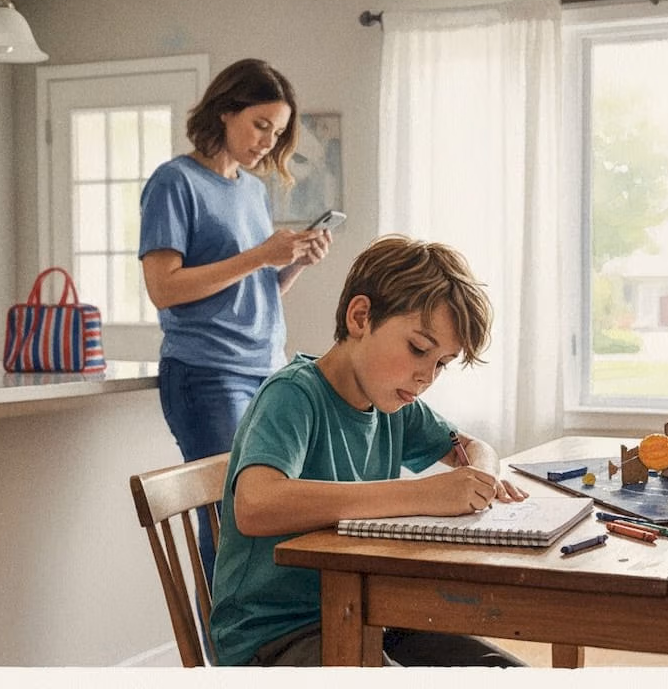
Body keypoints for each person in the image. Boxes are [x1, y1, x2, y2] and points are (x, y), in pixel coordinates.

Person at [210, 234, 530, 667]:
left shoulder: (393, 404)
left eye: (441, 363)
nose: (427, 377)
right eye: (418, 349)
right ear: (360, 317)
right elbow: (255, 504)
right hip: (274, 638)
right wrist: (421, 495)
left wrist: (482, 476)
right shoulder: (293, 394)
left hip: (369, 613)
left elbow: (471, 446)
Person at [139, 58, 332, 587]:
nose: (269, 141)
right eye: (261, 125)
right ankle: (225, 636)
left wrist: (292, 263)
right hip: (206, 374)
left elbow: (252, 290)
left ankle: (262, 632)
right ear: (225, 111)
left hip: (264, 370)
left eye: (279, 132)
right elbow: (164, 289)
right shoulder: (174, 182)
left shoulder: (250, 190)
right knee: (230, 520)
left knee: (267, 515)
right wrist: (261, 255)